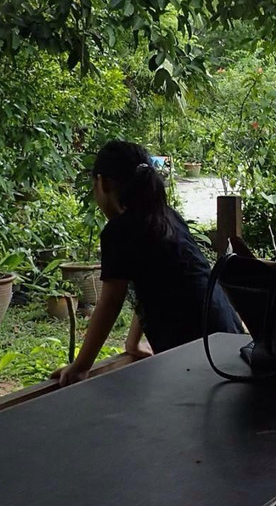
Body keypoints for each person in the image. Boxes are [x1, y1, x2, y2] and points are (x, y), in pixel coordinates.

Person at [52, 140, 243, 386]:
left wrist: (80, 367)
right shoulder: (164, 216)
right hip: (225, 336)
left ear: (103, 183)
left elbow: (111, 302)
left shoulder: (120, 230)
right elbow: (151, 283)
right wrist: (132, 342)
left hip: (199, 351)